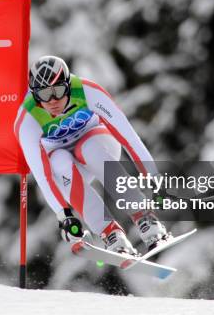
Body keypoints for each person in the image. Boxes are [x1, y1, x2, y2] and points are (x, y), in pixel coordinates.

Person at [14, 55, 169, 255]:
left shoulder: (87, 91)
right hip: (66, 168)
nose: (53, 100)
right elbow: (41, 174)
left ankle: (145, 218)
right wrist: (64, 215)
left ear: (68, 85)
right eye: (44, 94)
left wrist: (154, 178)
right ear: (35, 95)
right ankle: (110, 234)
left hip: (99, 144)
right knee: (59, 161)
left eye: (59, 91)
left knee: (88, 148)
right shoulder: (27, 119)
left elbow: (129, 138)